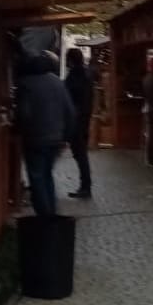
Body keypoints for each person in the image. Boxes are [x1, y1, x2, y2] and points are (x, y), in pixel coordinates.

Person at [15, 50, 75, 216]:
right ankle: (51, 213)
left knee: (37, 177)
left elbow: (24, 114)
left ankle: (45, 217)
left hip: (35, 139)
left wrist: (20, 129)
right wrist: (66, 138)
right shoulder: (57, 82)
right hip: (56, 138)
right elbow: (70, 111)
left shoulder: (25, 83)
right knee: (47, 175)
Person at [63, 48, 95, 199]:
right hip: (83, 120)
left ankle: (85, 187)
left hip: (77, 122)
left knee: (80, 155)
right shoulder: (86, 75)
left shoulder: (75, 76)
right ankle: (85, 186)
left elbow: (69, 98)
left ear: (70, 60)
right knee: (81, 155)